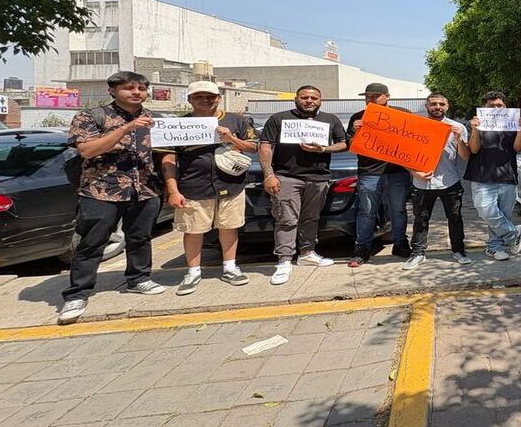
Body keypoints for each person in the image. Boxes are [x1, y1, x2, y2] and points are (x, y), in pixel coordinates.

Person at [58, 72, 165, 324]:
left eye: (141, 88)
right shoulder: (91, 116)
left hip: (146, 188)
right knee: (93, 241)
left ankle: (138, 279)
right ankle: (77, 293)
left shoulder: (156, 119)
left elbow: (167, 153)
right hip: (101, 190)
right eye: (129, 88)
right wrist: (126, 128)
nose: (136, 92)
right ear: (112, 90)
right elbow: (86, 149)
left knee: (140, 237)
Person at [159, 81, 258, 295]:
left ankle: (230, 268)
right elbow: (168, 158)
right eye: (199, 96)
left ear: (218, 98)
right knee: (193, 230)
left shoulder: (236, 120)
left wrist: (231, 138)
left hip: (231, 185)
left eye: (210, 96)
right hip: (193, 185)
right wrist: (173, 190)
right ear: (189, 100)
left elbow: (253, 147)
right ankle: (193, 272)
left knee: (229, 227)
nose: (205, 100)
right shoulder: (178, 124)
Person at [258, 86, 348, 285]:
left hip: (319, 178)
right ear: (296, 99)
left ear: (320, 100)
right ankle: (284, 260)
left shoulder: (330, 119)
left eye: (314, 97)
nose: (309, 100)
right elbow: (265, 145)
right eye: (304, 97)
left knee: (311, 218)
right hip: (287, 176)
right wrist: (269, 175)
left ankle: (307, 253)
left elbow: (343, 144)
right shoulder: (279, 119)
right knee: (286, 219)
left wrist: (323, 149)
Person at [347, 83, 413, 267]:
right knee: (367, 211)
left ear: (387, 96)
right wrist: (355, 130)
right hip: (370, 172)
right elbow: (351, 146)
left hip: (397, 172)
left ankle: (400, 243)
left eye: (375, 96)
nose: (371, 99)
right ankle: (362, 248)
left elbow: (414, 138)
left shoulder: (403, 113)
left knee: (398, 210)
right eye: (368, 96)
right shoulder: (358, 117)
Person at [403, 93, 471, 269]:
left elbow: (465, 156)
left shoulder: (457, 127)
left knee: (455, 218)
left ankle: (459, 250)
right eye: (433, 104)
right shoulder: (416, 126)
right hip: (422, 183)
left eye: (441, 104)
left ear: (447, 107)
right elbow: (403, 155)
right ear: (427, 106)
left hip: (450, 181)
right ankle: (417, 253)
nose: (437, 107)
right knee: (420, 219)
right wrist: (414, 172)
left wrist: (459, 141)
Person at [466, 91, 521, 261]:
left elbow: (517, 148)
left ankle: (494, 247)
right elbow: (474, 149)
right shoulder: (478, 124)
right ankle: (513, 233)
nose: (496, 108)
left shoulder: (512, 123)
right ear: (483, 107)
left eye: (499, 105)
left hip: (507, 175)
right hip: (482, 176)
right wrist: (475, 130)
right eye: (491, 106)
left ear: (505, 106)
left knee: (502, 215)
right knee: (487, 211)